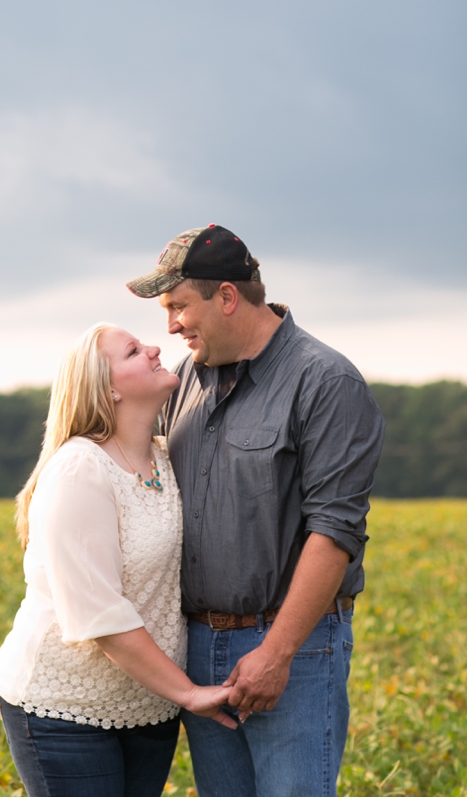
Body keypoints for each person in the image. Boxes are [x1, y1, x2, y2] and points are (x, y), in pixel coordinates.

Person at [126, 224, 386, 797]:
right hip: (198, 648)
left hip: (291, 649)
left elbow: (335, 531)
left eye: (177, 306)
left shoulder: (325, 381)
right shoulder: (189, 377)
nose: (170, 325)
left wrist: (276, 653)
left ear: (226, 297)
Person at [0, 321, 238, 797]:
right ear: (107, 390)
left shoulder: (167, 457)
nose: (153, 348)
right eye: (132, 351)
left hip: (149, 704)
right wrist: (188, 693)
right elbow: (98, 612)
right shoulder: (79, 468)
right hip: (64, 707)